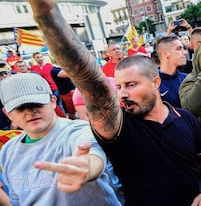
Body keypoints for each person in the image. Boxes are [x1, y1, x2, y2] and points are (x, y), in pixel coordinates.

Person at [0, 0, 201, 206]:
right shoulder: (120, 126)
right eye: (120, 85)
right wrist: (48, 15)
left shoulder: (184, 118)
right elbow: (93, 84)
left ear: (156, 82)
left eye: (131, 84)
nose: (122, 92)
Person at [0, 73, 121, 205]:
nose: (30, 112)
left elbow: (93, 152)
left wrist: (87, 168)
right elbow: (16, 199)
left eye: (37, 104)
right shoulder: (8, 151)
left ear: (53, 102)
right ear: (8, 113)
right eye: (20, 108)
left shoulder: (79, 130)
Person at [156, 36, 188, 107]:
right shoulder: (153, 84)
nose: (185, 52)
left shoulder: (187, 79)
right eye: (179, 49)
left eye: (184, 48)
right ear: (165, 54)